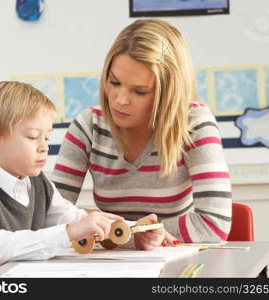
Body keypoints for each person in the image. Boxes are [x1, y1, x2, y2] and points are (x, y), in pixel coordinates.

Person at [51, 19, 232, 246]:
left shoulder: (194, 123)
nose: (120, 100)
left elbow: (214, 224)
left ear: (169, 93)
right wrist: (133, 235)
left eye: (140, 91)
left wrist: (132, 233)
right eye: (114, 82)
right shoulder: (89, 126)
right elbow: (51, 216)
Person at [0, 81, 124, 277]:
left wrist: (130, 231)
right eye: (32, 136)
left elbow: (70, 217)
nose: (44, 147)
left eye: (46, 137)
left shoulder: (35, 181)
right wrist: (69, 232)